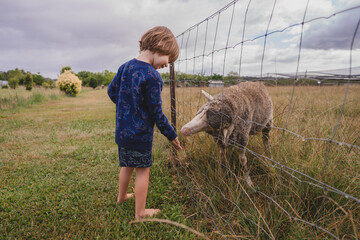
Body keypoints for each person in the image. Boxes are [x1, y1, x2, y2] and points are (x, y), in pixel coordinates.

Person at [107, 26, 183, 220]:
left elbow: (111, 91)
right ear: (161, 46)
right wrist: (171, 134)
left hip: (123, 132)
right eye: (169, 60)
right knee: (142, 170)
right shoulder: (152, 77)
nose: (167, 65)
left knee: (127, 165)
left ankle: (121, 197)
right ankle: (140, 213)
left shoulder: (125, 67)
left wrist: (127, 106)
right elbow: (157, 113)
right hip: (140, 134)